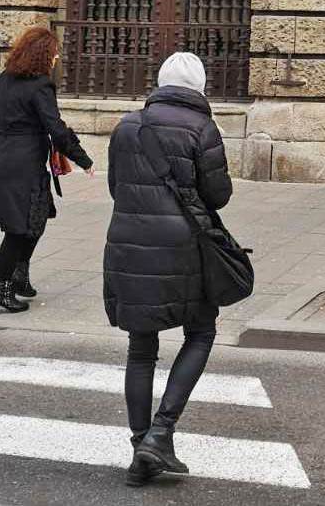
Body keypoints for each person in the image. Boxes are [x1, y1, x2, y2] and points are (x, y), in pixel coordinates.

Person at [103, 52, 233, 486]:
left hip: (128, 242)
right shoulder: (202, 127)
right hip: (183, 247)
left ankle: (142, 443)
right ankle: (161, 432)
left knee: (141, 349)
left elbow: (115, 186)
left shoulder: (127, 125)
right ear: (199, 86)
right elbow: (218, 195)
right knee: (201, 330)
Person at [0, 26, 93, 315]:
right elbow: (55, 128)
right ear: (43, 55)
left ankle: (20, 275)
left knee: (38, 216)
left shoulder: (4, 78)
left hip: (1, 158)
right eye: (54, 51)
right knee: (17, 230)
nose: (57, 56)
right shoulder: (41, 86)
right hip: (23, 165)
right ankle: (3, 290)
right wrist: (83, 159)